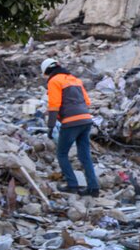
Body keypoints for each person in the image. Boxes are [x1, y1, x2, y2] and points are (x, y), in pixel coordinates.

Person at [42, 59, 100, 196]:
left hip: (70, 122)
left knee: (62, 153)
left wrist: (50, 126)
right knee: (85, 155)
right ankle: (93, 188)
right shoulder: (75, 80)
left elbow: (54, 104)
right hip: (86, 120)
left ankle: (72, 184)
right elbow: (87, 101)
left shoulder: (54, 81)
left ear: (46, 71)